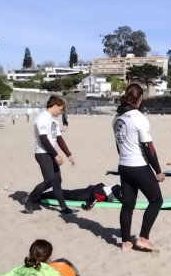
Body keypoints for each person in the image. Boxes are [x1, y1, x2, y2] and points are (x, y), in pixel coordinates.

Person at [113, 83, 164, 252]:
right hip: (139, 166)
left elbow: (119, 145)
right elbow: (149, 148)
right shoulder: (138, 117)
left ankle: (126, 241)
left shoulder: (117, 118)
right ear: (139, 98)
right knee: (156, 200)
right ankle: (142, 238)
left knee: (128, 204)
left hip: (124, 165)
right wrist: (158, 170)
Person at [23, 95, 75, 215]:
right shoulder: (42, 118)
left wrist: (68, 154)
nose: (61, 112)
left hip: (51, 152)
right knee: (49, 179)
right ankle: (29, 200)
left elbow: (59, 138)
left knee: (57, 181)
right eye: (61, 109)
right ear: (55, 106)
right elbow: (43, 139)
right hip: (42, 153)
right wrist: (56, 155)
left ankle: (63, 208)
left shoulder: (54, 120)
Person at [40, 183, 123, 210]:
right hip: (94, 192)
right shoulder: (124, 185)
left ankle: (43, 195)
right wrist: (123, 200)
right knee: (69, 195)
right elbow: (115, 189)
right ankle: (41, 196)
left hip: (98, 192)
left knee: (69, 194)